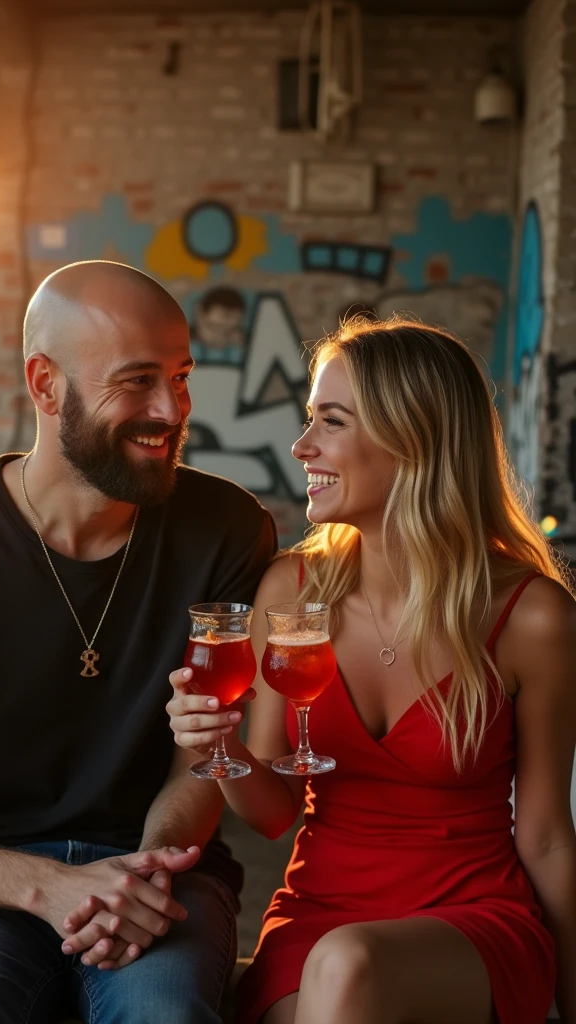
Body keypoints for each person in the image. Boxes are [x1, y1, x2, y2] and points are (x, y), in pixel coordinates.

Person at [0, 260, 276, 1024]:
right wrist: (48, 887)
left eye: (182, 376)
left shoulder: (227, 531)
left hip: (164, 870)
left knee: (165, 1015)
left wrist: (142, 871)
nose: (170, 409)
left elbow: (202, 760)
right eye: (136, 381)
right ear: (45, 385)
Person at [167, 317, 576, 1024]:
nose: (301, 447)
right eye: (308, 420)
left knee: (347, 967)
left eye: (331, 422)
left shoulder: (532, 617)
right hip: (316, 915)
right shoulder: (291, 591)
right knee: (337, 968)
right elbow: (272, 814)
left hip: (473, 922)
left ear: (412, 438)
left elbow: (543, 835)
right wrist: (219, 745)